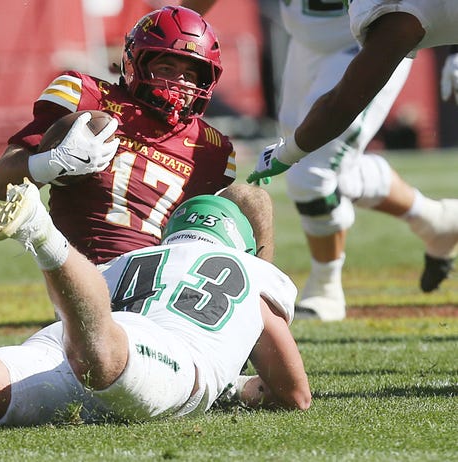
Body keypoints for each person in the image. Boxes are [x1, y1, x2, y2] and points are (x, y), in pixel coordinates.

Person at [0, 182, 311, 426]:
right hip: (149, 355)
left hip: (94, 331)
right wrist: (235, 387)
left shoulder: (139, 255)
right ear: (242, 245)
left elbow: (82, 309)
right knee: (103, 358)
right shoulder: (253, 274)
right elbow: (294, 394)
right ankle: (42, 235)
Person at [185, 0, 458, 320]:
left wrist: (290, 152)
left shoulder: (397, 14)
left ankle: (325, 289)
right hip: (306, 41)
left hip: (367, 42)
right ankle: (437, 220)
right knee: (336, 168)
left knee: (313, 171)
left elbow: (338, 107)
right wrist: (180, 20)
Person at [0, 6, 276, 265]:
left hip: (169, 279)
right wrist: (51, 162)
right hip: (97, 275)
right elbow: (0, 184)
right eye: (166, 67)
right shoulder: (86, 97)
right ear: (133, 63)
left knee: (252, 200)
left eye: (190, 75)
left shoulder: (212, 149)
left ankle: (259, 305)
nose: (179, 83)